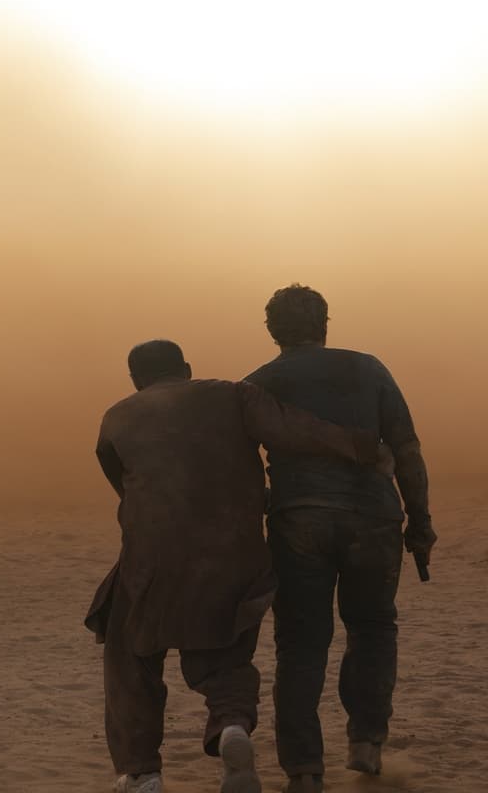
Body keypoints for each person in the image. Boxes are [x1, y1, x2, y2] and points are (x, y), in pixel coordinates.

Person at [87, 338, 381, 793]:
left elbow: (125, 486)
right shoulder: (234, 395)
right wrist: (363, 447)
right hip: (233, 554)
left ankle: (142, 771)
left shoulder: (116, 417)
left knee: (131, 658)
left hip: (151, 559)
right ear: (187, 367)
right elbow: (296, 430)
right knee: (225, 657)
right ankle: (231, 727)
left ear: (135, 380)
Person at [244, 284, 434, 789]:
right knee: (373, 628)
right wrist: (420, 522)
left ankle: (304, 769)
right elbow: (407, 449)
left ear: (272, 331)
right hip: (374, 517)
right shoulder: (368, 369)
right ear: (325, 324)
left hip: (298, 521)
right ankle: (367, 742)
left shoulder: (258, 384)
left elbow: (236, 468)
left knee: (300, 643)